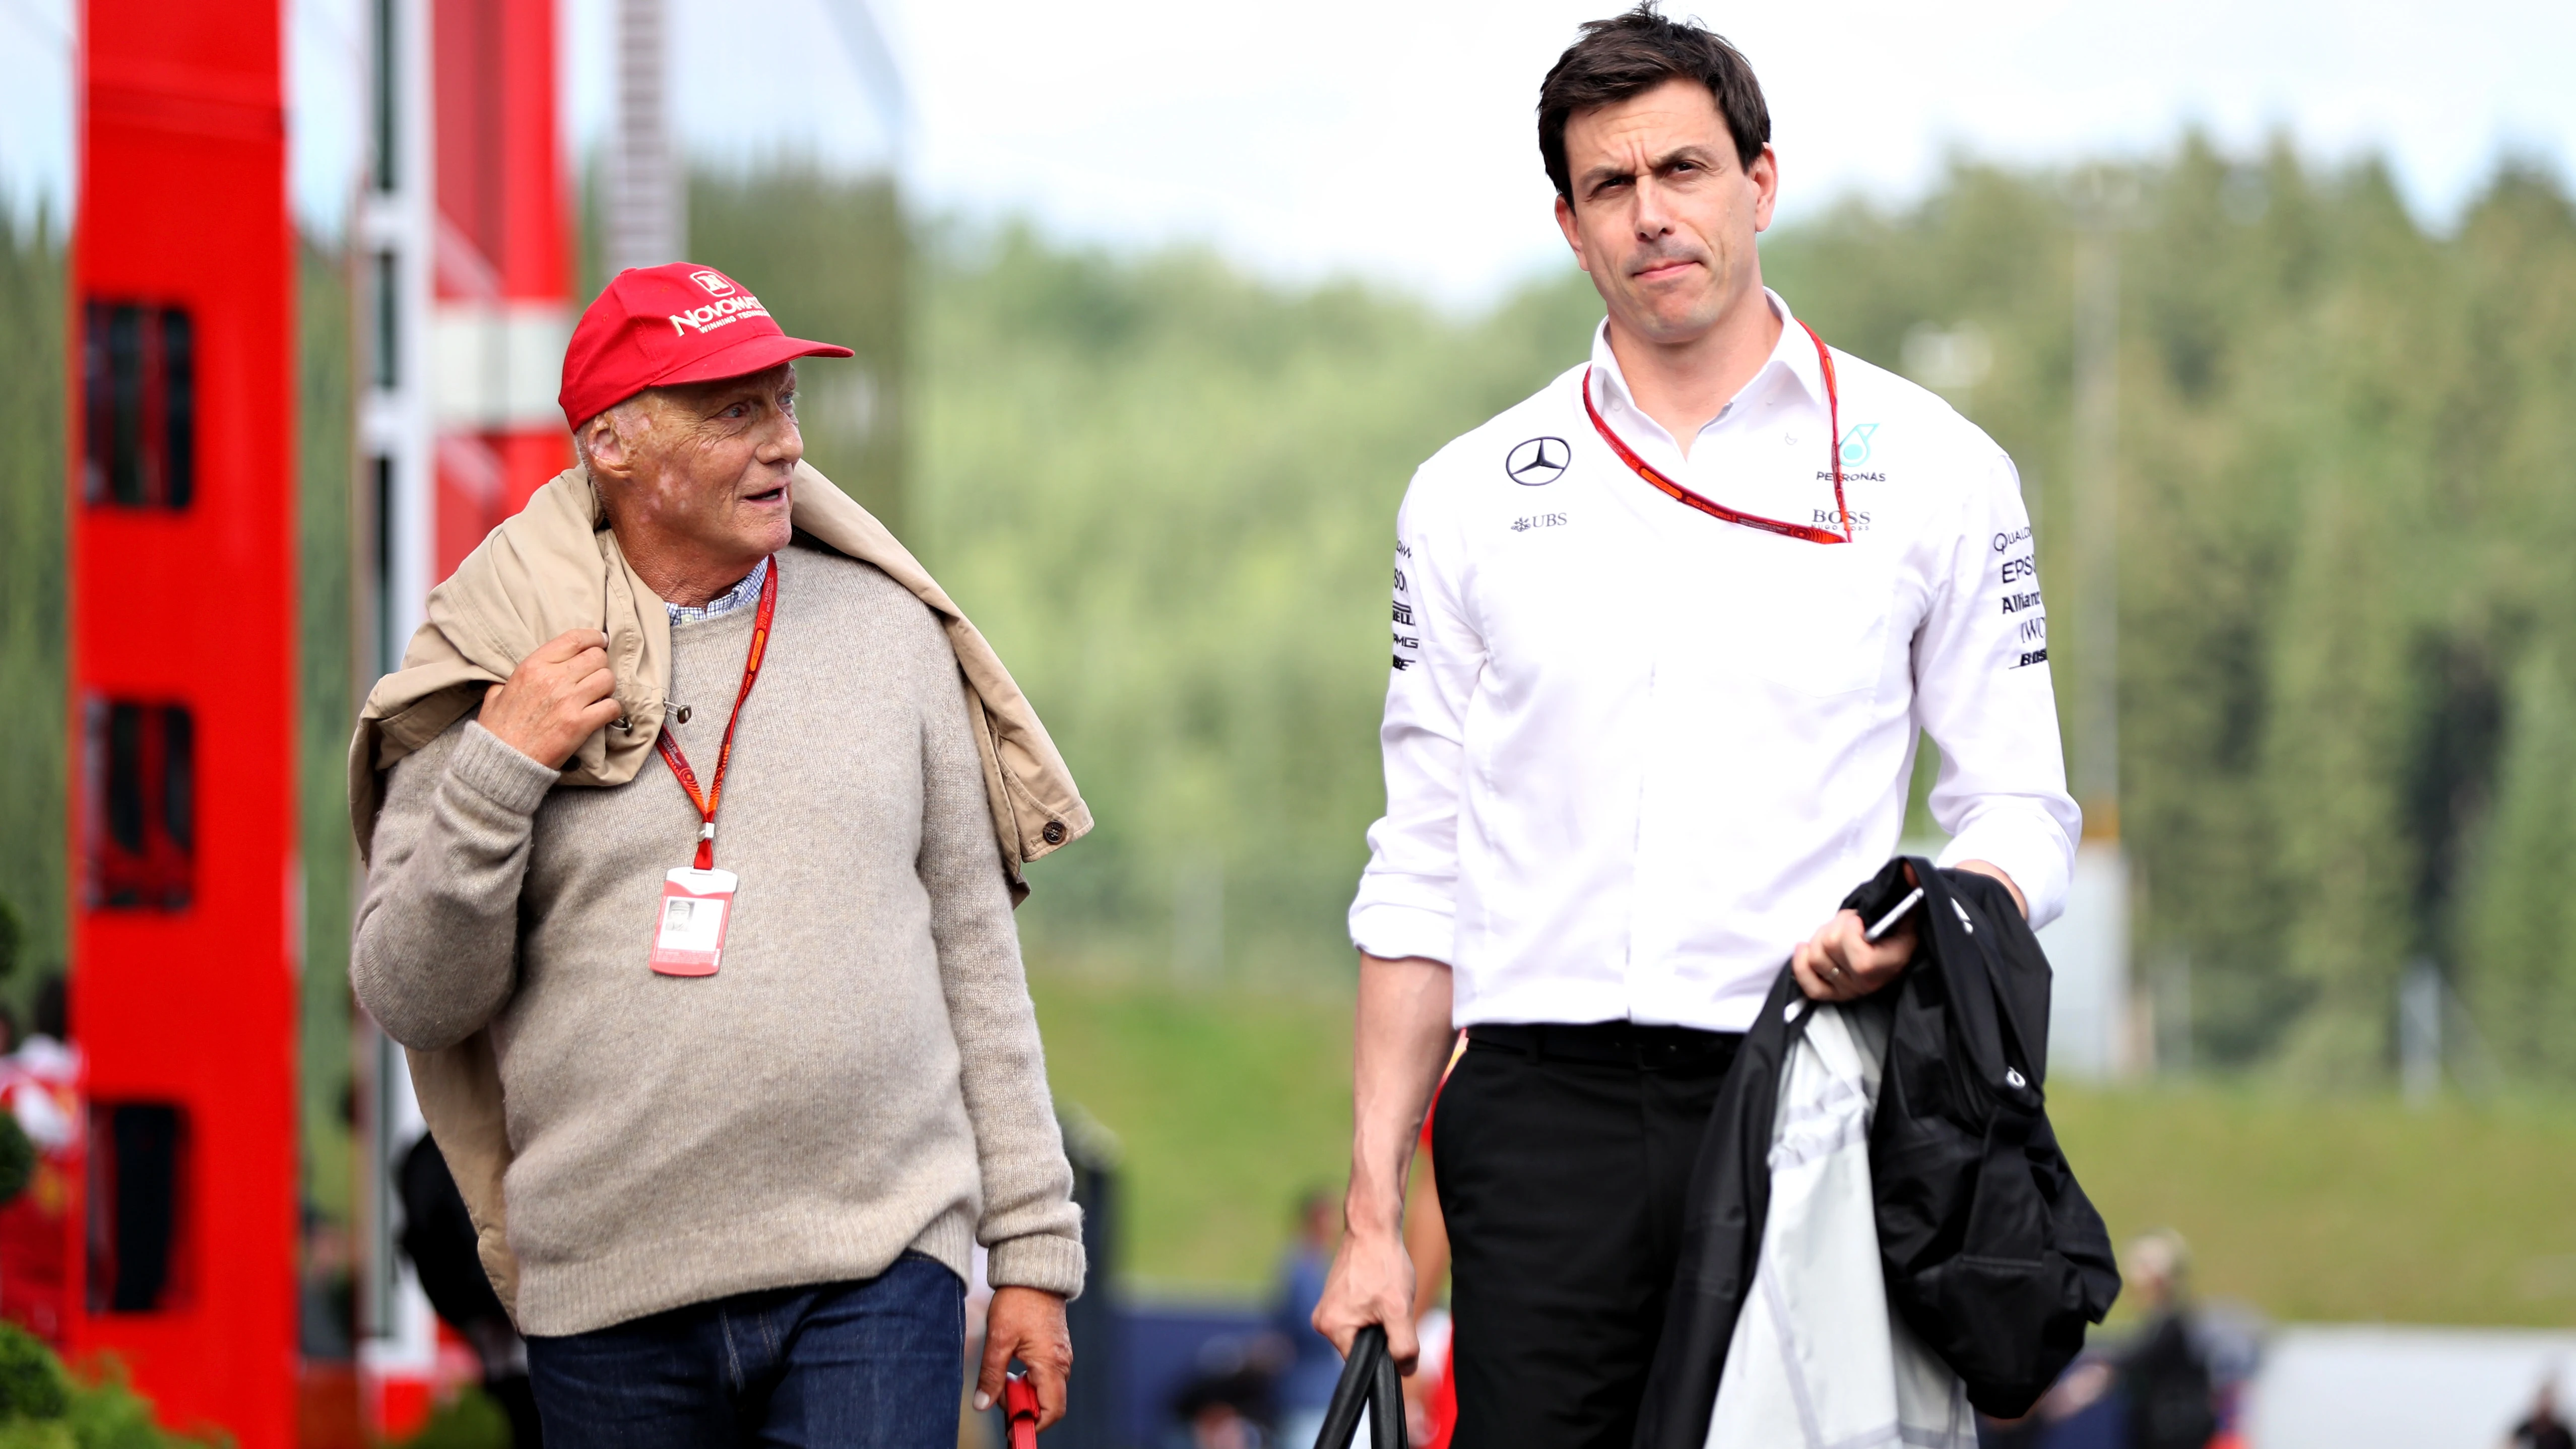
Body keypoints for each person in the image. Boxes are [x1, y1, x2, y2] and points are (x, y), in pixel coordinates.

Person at [1313, 8, 2081, 1446]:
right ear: (1569, 222)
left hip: (1804, 1092)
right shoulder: (1468, 493)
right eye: (1612, 186)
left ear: (1761, 182)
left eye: (1685, 168)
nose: (1653, 213)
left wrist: (1929, 914)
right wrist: (1371, 1220)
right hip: (1537, 1116)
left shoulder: (1938, 471)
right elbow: (1417, 865)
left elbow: (2023, 811)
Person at [350, 262, 1086, 1447]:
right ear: (615, 446)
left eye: (785, 403)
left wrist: (1034, 1251)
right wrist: (502, 763)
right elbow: (411, 991)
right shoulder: (496, 658)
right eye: (737, 411)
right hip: (607, 1288)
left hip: (880, 1263)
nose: (787, 444)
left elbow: (978, 960)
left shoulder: (893, 638)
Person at [1274, 1190, 1346, 1447]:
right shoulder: (1300, 1268)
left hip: (1324, 1395)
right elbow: (1313, 1327)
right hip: (1310, 1398)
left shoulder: (1317, 1266)